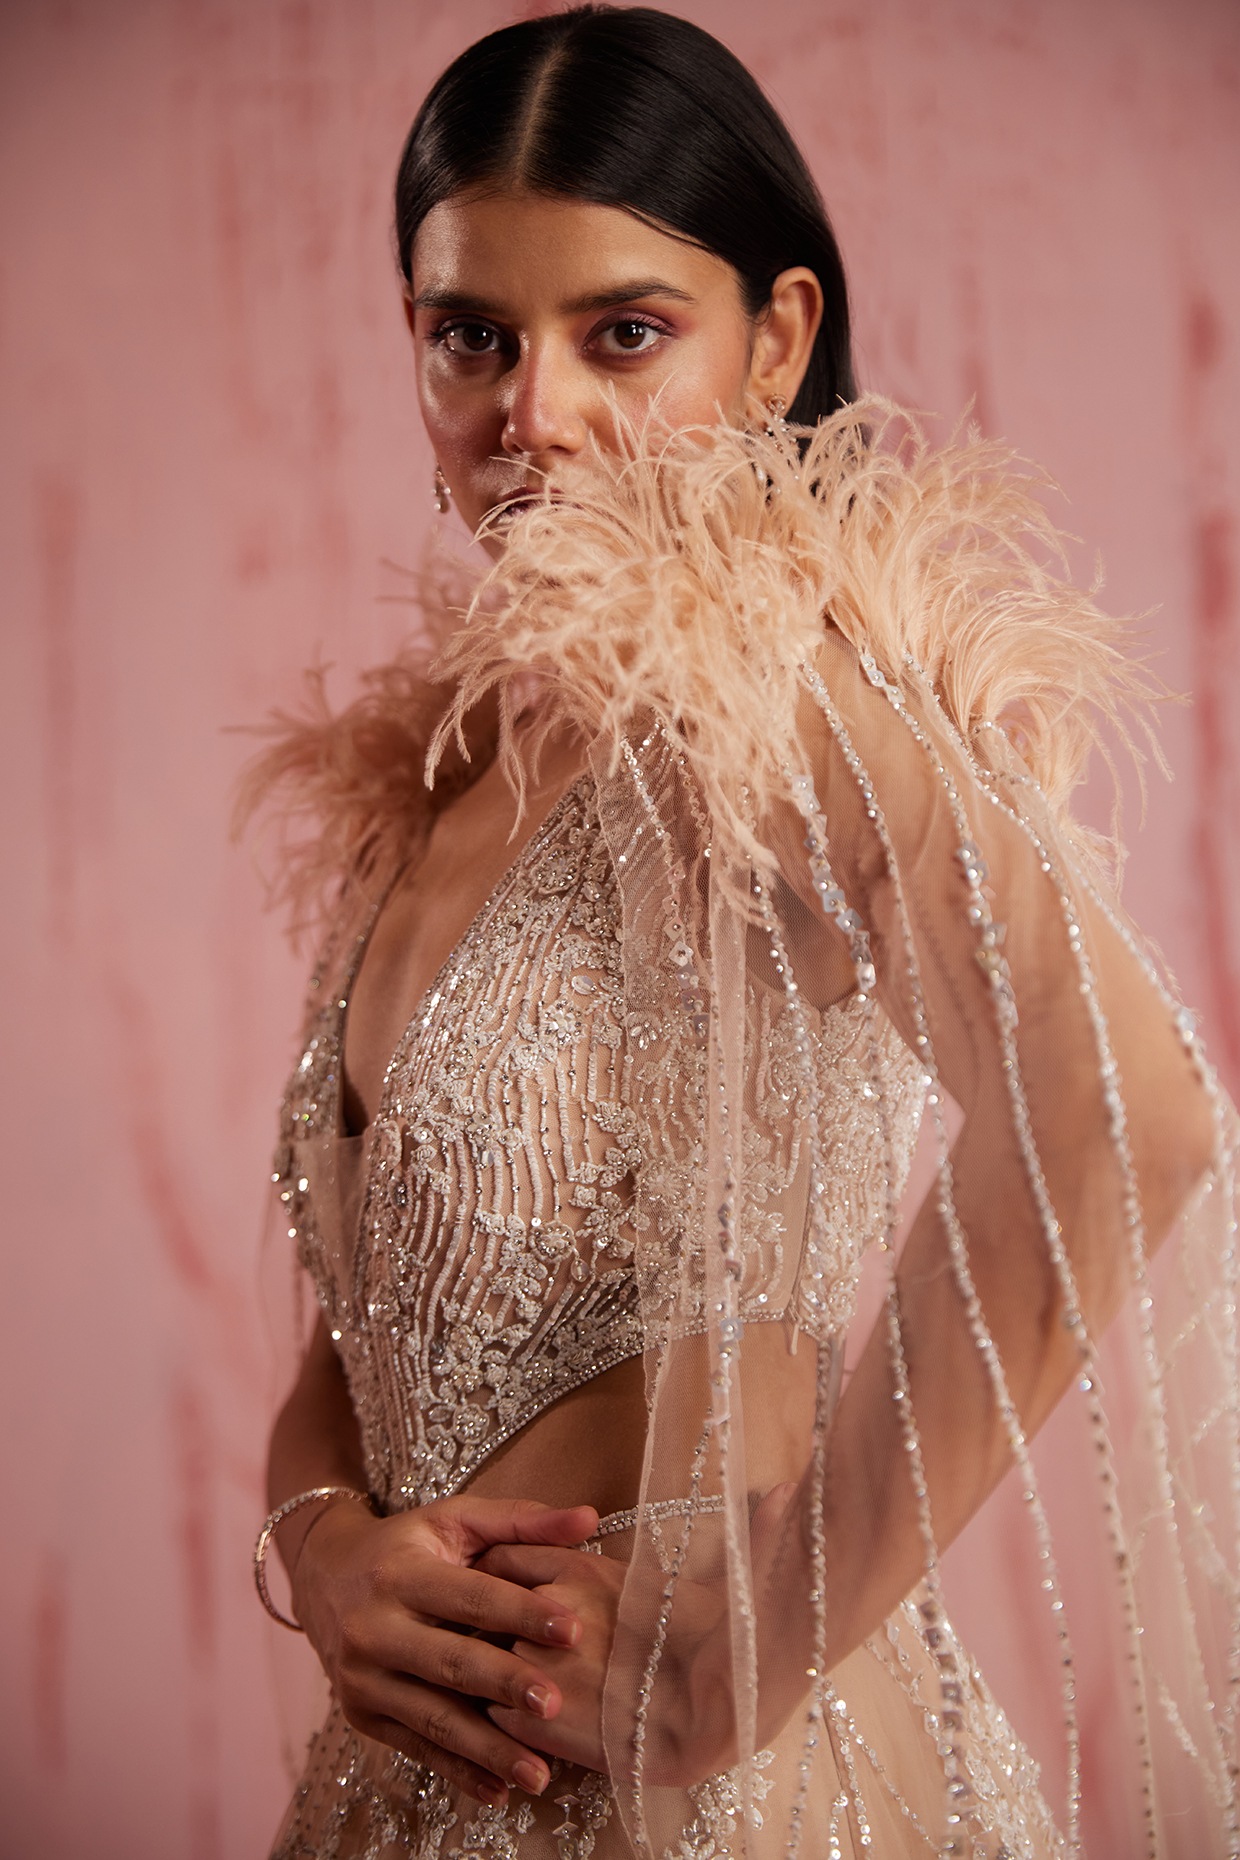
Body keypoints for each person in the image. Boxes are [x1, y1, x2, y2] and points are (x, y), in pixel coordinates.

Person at [244, 9, 1239, 1857]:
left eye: (624, 333)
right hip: (397, 1793)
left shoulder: (780, 698)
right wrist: (323, 1549)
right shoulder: (438, 775)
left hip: (713, 1793)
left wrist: (753, 1651)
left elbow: (1129, 1114)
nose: (530, 415)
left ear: (774, 341)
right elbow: (361, 1328)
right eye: (473, 335)